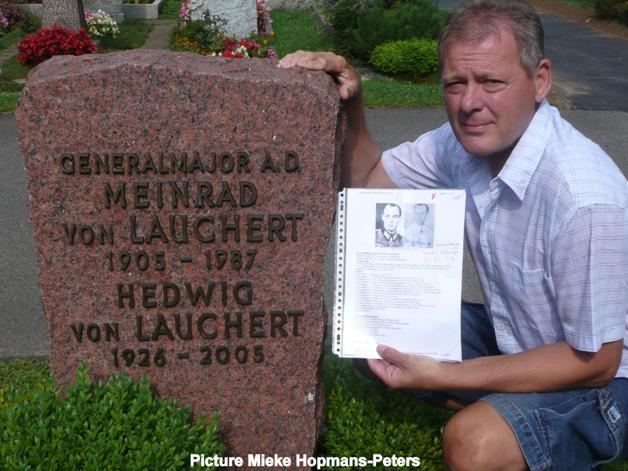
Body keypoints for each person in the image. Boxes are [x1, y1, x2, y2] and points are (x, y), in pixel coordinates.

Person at [278, 0, 628, 469]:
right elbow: (369, 180)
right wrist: (352, 97)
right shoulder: (463, 142)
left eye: (492, 82)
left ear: (540, 80)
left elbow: (598, 360)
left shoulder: (582, 197)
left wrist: (446, 374)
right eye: (455, 84)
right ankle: (505, 405)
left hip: (604, 383)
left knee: (473, 442)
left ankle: (505, 416)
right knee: (373, 329)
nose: (469, 104)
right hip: (520, 338)